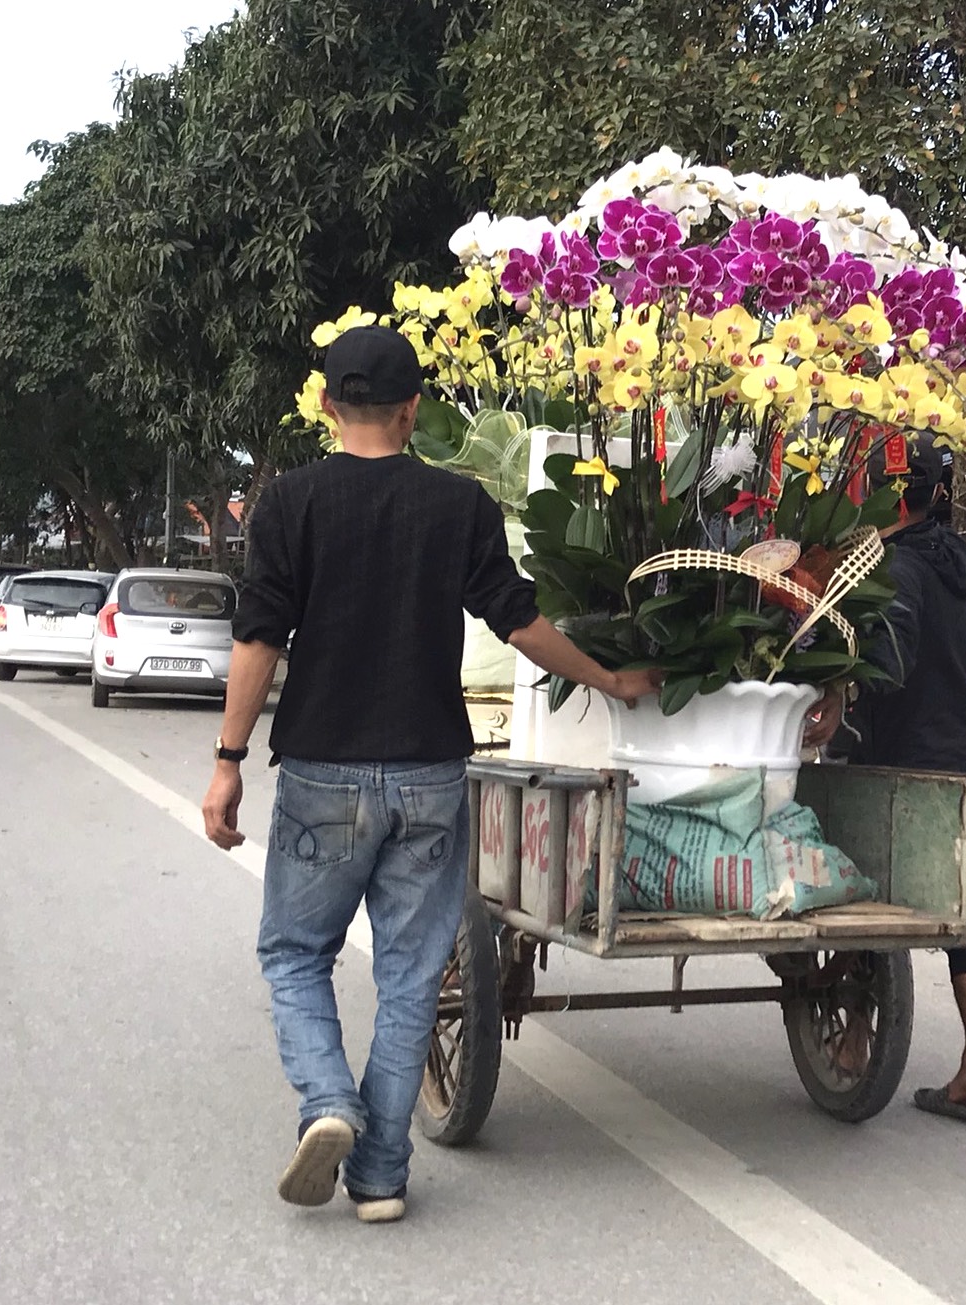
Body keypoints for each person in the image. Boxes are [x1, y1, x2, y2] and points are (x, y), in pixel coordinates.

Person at [201, 326, 658, 1224]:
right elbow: (518, 620)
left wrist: (226, 762)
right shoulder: (457, 507)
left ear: (329, 405)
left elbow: (258, 637)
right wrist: (607, 679)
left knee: (295, 953)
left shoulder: (288, 502)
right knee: (411, 972)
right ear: (414, 410)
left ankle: (329, 1101)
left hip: (322, 770)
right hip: (429, 773)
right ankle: (379, 1173)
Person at [805, 432, 966, 1124]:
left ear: (880, 493)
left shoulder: (892, 565)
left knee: (860, 891)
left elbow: (886, 658)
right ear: (940, 495)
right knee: (962, 911)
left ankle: (857, 1040)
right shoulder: (950, 561)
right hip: (964, 758)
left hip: (898, 758)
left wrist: (834, 683)